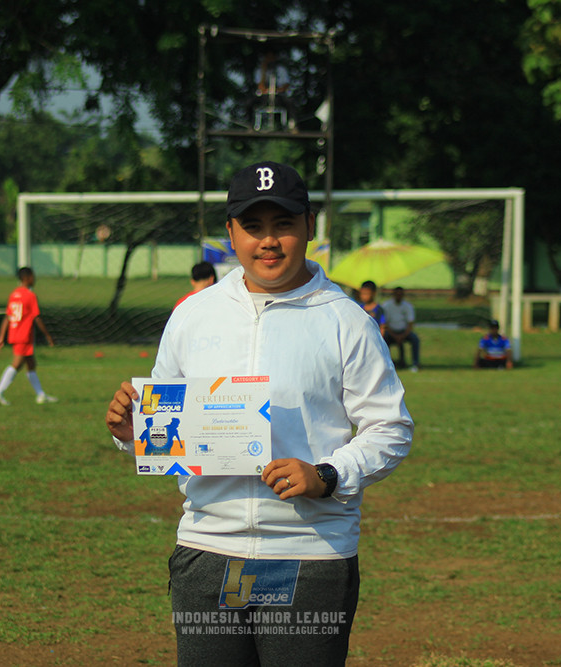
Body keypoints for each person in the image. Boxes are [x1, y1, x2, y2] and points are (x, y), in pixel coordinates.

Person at [106, 161, 414, 665]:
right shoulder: (193, 314)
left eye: (284, 224)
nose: (268, 241)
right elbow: (168, 429)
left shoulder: (345, 320)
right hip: (207, 551)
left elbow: (391, 427)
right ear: (230, 232)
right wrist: (132, 431)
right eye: (253, 226)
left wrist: (327, 474)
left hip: (309, 555)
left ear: (309, 227)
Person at [0, 267, 57, 405]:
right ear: (27, 278)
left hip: (15, 333)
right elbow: (36, 317)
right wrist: (48, 336)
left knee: (31, 364)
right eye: (33, 276)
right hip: (24, 335)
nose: (34, 279)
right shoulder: (30, 295)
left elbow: (8, 316)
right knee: (17, 364)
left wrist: (1, 336)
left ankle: (40, 395)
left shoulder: (14, 294)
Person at [381, 286, 420, 372]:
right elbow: (384, 324)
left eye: (400, 294)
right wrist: (394, 335)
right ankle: (384, 363)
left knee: (415, 339)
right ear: (393, 295)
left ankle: (415, 363)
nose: (398, 296)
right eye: (397, 294)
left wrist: (402, 336)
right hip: (390, 331)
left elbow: (410, 324)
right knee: (383, 340)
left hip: (404, 331)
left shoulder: (408, 306)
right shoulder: (386, 306)